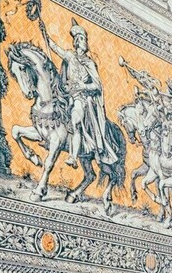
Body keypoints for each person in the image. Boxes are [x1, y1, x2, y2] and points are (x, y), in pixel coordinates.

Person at [41, 17, 117, 167]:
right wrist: (45, 33)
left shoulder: (89, 63)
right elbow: (55, 48)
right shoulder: (70, 56)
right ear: (76, 41)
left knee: (75, 121)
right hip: (66, 96)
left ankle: (73, 157)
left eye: (83, 38)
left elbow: (97, 85)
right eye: (79, 38)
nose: (82, 41)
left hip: (81, 99)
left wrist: (83, 85)